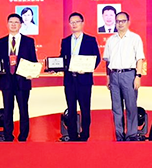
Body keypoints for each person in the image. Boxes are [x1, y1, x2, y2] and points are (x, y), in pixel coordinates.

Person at [0, 13, 37, 142]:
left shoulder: (28, 41)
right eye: (11, 22)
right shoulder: (1, 42)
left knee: (23, 109)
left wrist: (32, 72)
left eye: (16, 22)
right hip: (6, 81)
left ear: (20, 25)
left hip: (22, 80)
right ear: (7, 24)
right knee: (8, 109)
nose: (13, 24)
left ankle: (23, 136)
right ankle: (8, 136)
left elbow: (33, 61)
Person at [103, 11, 145, 141]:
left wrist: (138, 76)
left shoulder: (135, 38)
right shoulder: (110, 40)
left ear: (128, 22)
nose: (120, 24)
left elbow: (139, 59)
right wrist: (108, 78)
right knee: (116, 108)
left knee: (131, 106)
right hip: (114, 75)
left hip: (129, 75)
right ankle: (119, 136)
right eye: (118, 21)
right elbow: (107, 61)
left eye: (123, 21)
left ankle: (131, 135)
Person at [59, 12, 101, 141]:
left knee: (85, 109)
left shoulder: (90, 40)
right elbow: (62, 59)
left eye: (77, 22)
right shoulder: (65, 41)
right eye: (72, 22)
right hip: (69, 80)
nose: (74, 24)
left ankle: (85, 134)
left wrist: (87, 69)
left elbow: (97, 58)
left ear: (82, 23)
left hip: (84, 80)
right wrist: (55, 67)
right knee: (71, 109)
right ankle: (72, 135)